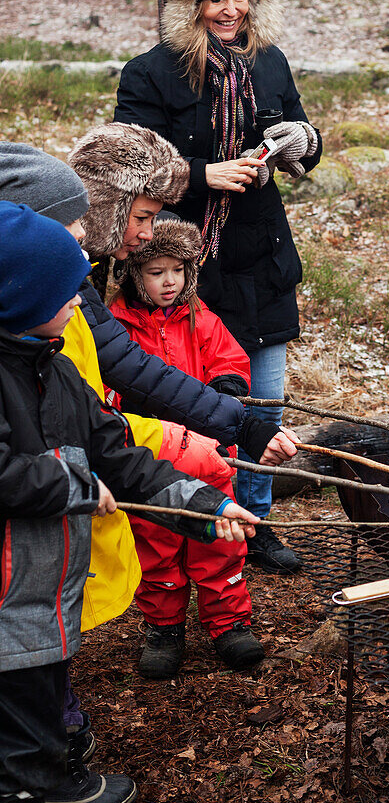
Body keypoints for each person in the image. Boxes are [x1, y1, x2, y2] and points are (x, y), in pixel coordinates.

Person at [0, 139, 298, 781]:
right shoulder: (33, 341)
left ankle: (53, 753)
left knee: (38, 671)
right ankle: (37, 776)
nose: (82, 290)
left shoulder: (48, 351)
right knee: (18, 682)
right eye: (138, 217)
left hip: (45, 563)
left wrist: (210, 494)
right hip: (18, 561)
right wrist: (72, 480)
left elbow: (113, 435)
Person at [114, 0, 322, 573]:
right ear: (190, 5)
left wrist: (300, 143)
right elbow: (129, 162)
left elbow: (303, 138)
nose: (230, 10)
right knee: (193, 400)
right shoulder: (150, 73)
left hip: (260, 256)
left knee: (263, 402)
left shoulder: (270, 61)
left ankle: (255, 523)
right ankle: (191, 516)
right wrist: (202, 174)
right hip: (186, 267)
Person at [108, 218, 295, 676]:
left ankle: (229, 623)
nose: (169, 281)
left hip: (211, 455)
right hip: (151, 459)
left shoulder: (201, 317)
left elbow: (230, 359)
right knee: (156, 542)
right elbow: (103, 386)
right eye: (156, 272)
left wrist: (228, 389)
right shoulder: (114, 325)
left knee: (221, 541)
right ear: (134, 274)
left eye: (177, 270)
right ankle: (164, 627)